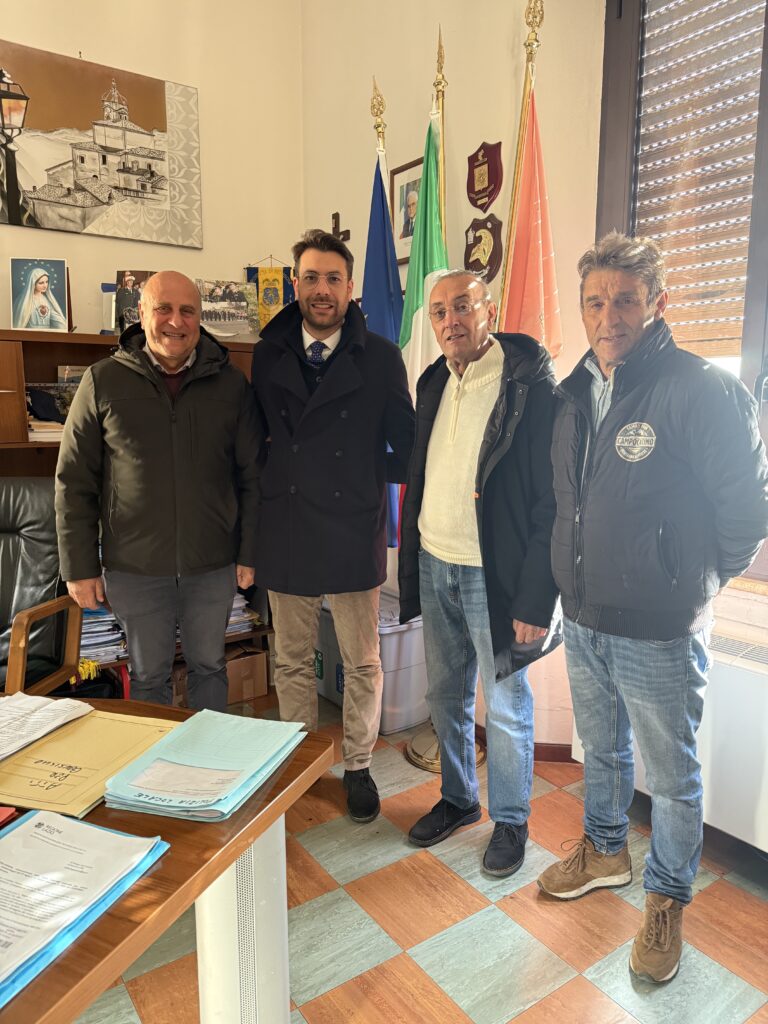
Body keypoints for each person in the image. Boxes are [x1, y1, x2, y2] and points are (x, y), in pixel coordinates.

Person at [537, 232, 768, 983]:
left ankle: (666, 898)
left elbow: (746, 514)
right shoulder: (573, 394)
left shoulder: (702, 390)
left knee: (671, 777)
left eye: (626, 300)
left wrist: (691, 580)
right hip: (585, 618)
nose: (609, 316)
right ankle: (606, 850)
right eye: (595, 302)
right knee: (602, 751)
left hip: (660, 630)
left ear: (657, 303)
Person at [250, 228, 415, 823]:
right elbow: (255, 443)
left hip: (352, 525)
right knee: (292, 659)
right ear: (296, 284)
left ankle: (359, 764)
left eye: (334, 279)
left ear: (350, 288)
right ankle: (299, 763)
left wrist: (368, 475)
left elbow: (407, 447)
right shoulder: (267, 354)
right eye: (312, 278)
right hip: (287, 525)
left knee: (361, 660)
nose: (323, 290)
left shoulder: (382, 356)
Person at [399, 270, 560, 876]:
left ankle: (511, 821)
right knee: (444, 694)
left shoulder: (528, 385)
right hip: (434, 558)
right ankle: (459, 799)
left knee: (507, 704)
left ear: (488, 310)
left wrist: (535, 598)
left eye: (462, 307)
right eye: (439, 312)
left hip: (493, 574)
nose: (451, 321)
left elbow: (549, 501)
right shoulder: (433, 381)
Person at [56, 271, 262, 711]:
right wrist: (79, 567)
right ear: (142, 313)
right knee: (148, 677)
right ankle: (155, 758)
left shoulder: (231, 385)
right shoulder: (102, 381)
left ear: (199, 318)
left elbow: (252, 477)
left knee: (210, 667)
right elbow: (74, 482)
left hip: (212, 563)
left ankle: (209, 755)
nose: (175, 321)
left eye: (187, 310)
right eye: (163, 309)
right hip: (135, 567)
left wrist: (249, 553)